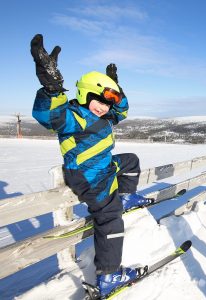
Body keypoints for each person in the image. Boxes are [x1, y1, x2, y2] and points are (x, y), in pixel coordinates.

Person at [30, 34, 150, 297]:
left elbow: (123, 111)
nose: (104, 107)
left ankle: (126, 197)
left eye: (108, 103)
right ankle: (108, 274)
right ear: (84, 94)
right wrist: (51, 88)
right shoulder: (74, 116)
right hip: (88, 177)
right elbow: (50, 117)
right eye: (100, 100)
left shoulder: (105, 115)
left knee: (130, 161)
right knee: (109, 219)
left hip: (104, 166)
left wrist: (117, 88)